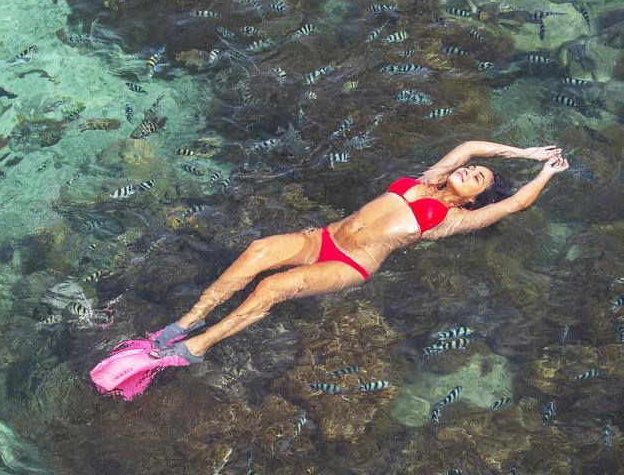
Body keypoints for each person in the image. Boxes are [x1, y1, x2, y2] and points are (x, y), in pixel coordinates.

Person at [90, 141, 568, 399]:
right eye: (473, 169)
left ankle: (194, 348)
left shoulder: (455, 218)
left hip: (351, 263)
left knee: (273, 287)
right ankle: (183, 323)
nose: (470, 172)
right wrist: (526, 153)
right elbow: (468, 145)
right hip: (321, 237)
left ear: (474, 199)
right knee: (258, 251)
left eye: (478, 179)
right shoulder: (425, 179)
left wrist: (545, 173)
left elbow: (518, 202)